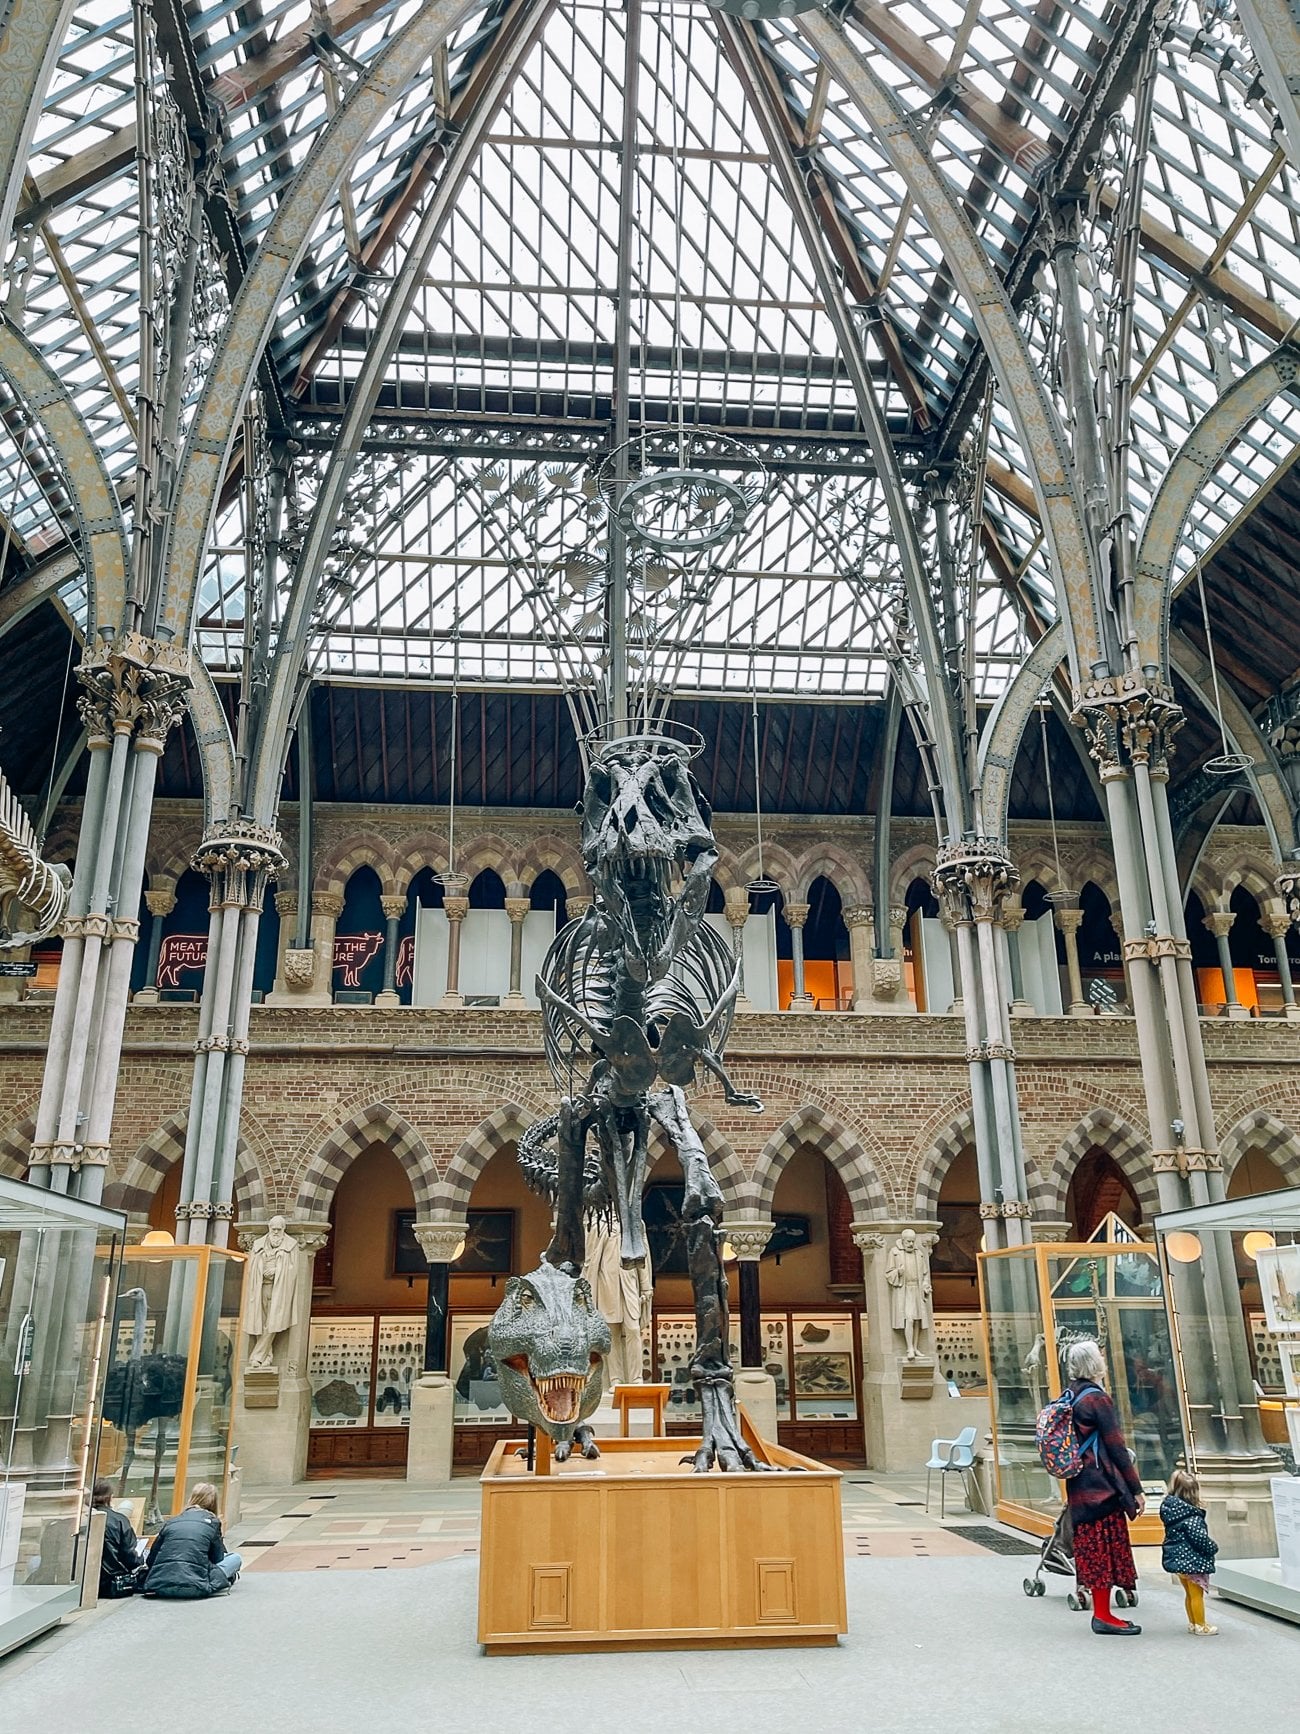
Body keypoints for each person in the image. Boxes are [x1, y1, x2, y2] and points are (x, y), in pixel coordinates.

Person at [1063, 1339, 1145, 1636]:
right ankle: (1103, 1615)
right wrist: (1135, 1489)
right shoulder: (1097, 1399)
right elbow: (1116, 1446)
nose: (1104, 1359)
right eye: (1100, 1355)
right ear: (1093, 1363)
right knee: (1104, 1548)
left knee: (1092, 1547)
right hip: (1101, 1486)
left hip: (1080, 1484)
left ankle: (1103, 1611)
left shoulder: (1071, 1394)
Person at [142, 1483, 242, 1599]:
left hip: (160, 1586)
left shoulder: (172, 1521)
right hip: (195, 1587)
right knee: (235, 1558)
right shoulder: (213, 1522)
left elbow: (151, 1559)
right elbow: (217, 1558)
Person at [1160, 1467, 1219, 1635]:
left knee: (1188, 1594)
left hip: (1180, 1561)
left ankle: (1193, 1622)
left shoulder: (1171, 1512)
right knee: (1196, 1595)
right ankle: (1201, 1625)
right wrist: (1212, 1547)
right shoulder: (1192, 1517)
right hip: (1193, 1562)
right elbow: (1200, 1539)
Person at [93, 1478, 144, 1599]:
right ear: (110, 1497)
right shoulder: (119, 1520)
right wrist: (140, 1560)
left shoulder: (82, 1517)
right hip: (112, 1582)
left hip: (85, 1581)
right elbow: (130, 1557)